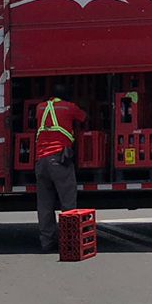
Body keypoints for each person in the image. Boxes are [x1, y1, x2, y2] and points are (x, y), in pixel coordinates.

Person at [34, 93, 88, 253]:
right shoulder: (69, 107)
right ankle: (69, 243)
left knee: (44, 205)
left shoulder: (40, 108)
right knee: (68, 203)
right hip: (59, 159)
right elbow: (84, 117)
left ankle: (47, 243)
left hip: (40, 161)